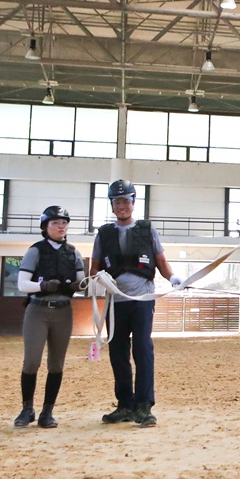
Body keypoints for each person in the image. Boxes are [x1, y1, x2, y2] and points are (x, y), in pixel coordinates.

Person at [90, 180, 180, 427]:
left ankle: (144, 405)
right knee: (118, 353)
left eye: (125, 201)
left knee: (142, 348)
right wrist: (98, 278)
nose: (121, 206)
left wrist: (173, 278)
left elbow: (161, 262)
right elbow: (94, 268)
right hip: (115, 303)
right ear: (112, 205)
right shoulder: (104, 234)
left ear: (133, 203)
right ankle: (125, 405)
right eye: (117, 202)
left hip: (141, 300)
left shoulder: (147, 230)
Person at [14, 206, 87, 428]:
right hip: (38, 310)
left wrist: (80, 285)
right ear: (45, 227)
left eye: (64, 222)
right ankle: (27, 409)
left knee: (56, 364)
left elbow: (82, 283)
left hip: (63, 312)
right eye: (56, 223)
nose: (61, 226)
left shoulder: (73, 252)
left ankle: (48, 412)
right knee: (32, 362)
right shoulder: (35, 251)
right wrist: (41, 285)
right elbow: (21, 284)